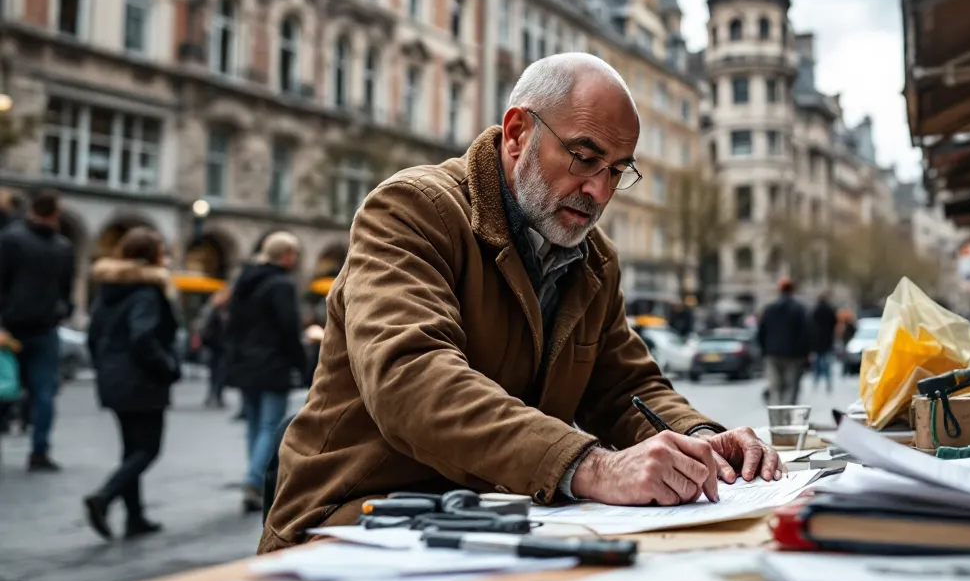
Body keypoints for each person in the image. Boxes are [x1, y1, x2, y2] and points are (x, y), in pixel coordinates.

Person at [259, 53, 783, 553]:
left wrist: (701, 441)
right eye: (584, 157)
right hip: (351, 524)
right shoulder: (412, 208)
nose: (599, 190)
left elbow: (627, 388)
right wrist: (593, 466)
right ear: (516, 134)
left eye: (618, 170)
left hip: (485, 524)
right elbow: (410, 377)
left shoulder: (595, 259)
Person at [82, 227, 180, 539]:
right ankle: (104, 497)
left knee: (131, 449)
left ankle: (135, 518)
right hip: (143, 379)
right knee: (148, 449)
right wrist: (167, 367)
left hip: (114, 376)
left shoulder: (108, 290)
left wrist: (105, 367)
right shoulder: (147, 292)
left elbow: (92, 336)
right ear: (152, 255)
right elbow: (142, 337)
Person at [226, 232, 307, 514]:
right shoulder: (282, 285)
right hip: (273, 363)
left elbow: (232, 325)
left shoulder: (243, 282)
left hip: (244, 363)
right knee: (269, 426)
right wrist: (302, 364)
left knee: (254, 424)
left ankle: (255, 479)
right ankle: (254, 481)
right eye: (294, 254)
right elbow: (289, 329)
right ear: (285, 255)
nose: (295, 259)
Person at [0, 189, 75, 470]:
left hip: (11, 327)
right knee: (44, 392)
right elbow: (67, 290)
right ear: (54, 213)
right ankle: (39, 450)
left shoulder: (10, 239)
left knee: (4, 386)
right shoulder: (62, 246)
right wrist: (61, 312)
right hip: (44, 327)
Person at [756, 278, 811, 406]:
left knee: (775, 387)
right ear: (792, 290)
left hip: (773, 354)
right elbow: (806, 333)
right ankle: (788, 416)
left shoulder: (769, 308)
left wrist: (764, 351)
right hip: (794, 355)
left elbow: (761, 332)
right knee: (791, 388)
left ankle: (777, 416)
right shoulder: (799, 309)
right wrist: (805, 353)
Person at [199, 288, 230, 409]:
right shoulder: (214, 311)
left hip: (218, 346)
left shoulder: (217, 310)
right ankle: (214, 395)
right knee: (216, 372)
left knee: (218, 372)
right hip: (215, 345)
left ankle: (215, 395)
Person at [809, 292, 839, 392]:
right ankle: (828, 382)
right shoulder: (830, 310)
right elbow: (834, 324)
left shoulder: (815, 311)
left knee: (817, 363)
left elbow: (810, 324)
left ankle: (815, 382)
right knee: (827, 363)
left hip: (816, 342)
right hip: (827, 341)